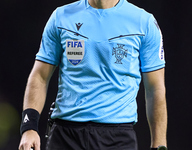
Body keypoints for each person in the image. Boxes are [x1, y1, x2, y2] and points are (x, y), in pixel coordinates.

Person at [18, 0, 167, 150]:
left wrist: (159, 145)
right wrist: (29, 127)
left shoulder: (143, 22)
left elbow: (155, 88)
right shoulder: (61, 17)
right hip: (65, 136)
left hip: (117, 139)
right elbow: (40, 77)